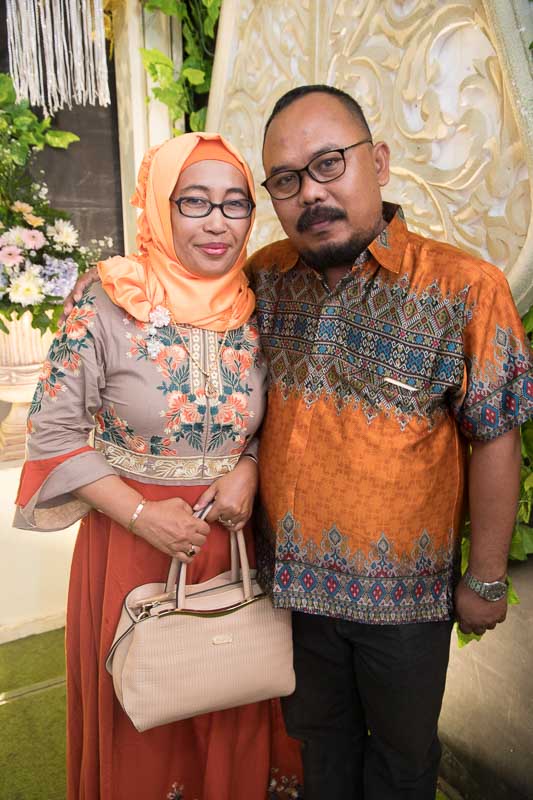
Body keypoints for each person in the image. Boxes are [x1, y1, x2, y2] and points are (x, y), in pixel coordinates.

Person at [64, 85, 533, 800]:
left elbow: (494, 435)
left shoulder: (465, 288)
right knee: (316, 752)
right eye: (285, 180)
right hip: (285, 590)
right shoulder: (262, 279)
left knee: (403, 759)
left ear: (378, 161)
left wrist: (487, 576)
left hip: (404, 601)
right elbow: (226, 401)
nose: (310, 192)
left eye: (328, 164)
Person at [14, 133, 302, 800]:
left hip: (231, 541)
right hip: (132, 545)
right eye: (194, 201)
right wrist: (144, 515)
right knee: (148, 711)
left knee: (236, 687)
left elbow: (282, 417)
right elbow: (52, 431)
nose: (216, 222)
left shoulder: (257, 302)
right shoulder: (108, 297)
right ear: (159, 206)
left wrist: (250, 464)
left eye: (234, 203)